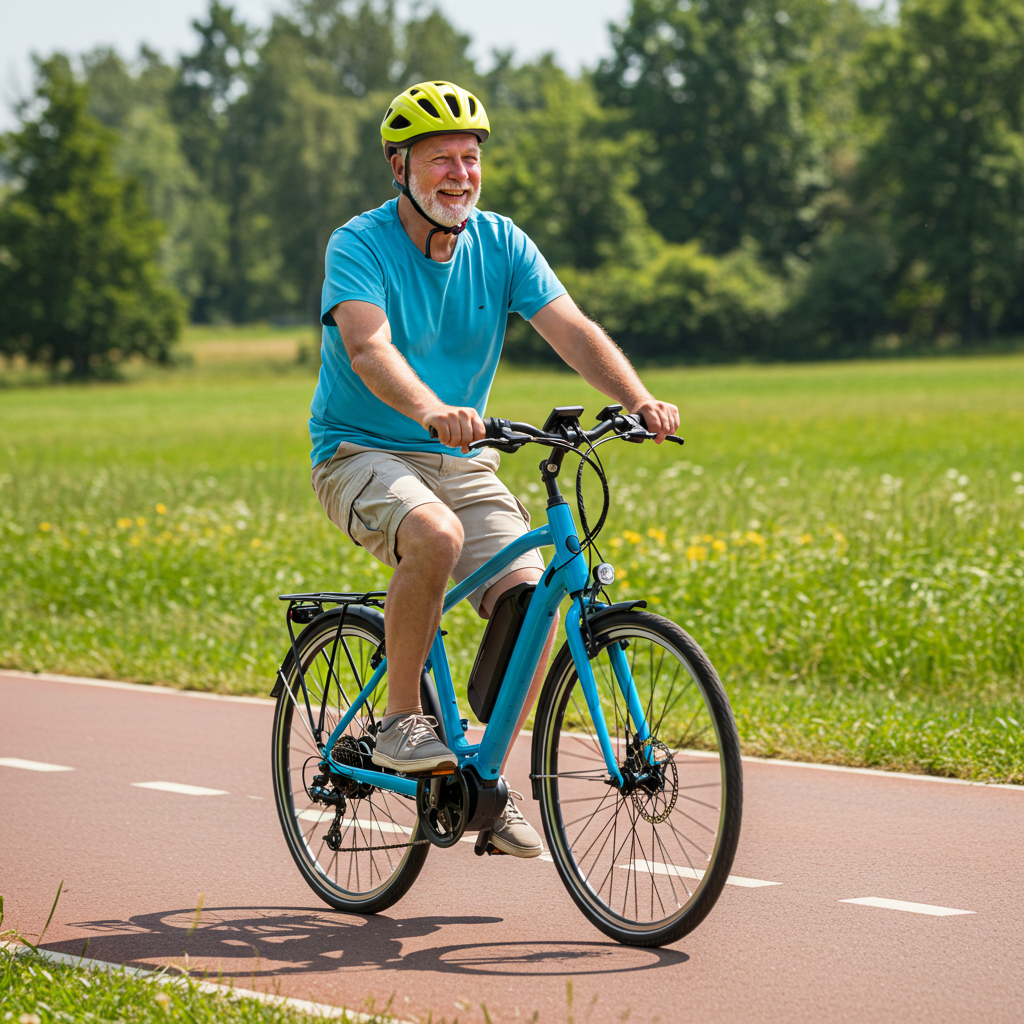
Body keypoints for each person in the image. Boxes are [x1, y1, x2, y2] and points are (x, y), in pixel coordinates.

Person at [309, 80, 679, 857]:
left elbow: (570, 329)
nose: (458, 173)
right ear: (397, 166)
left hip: (461, 455)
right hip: (360, 451)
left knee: (532, 602)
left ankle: (482, 783)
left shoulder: (502, 243)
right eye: (438, 157)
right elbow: (369, 348)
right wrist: (429, 409)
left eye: (469, 158)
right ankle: (401, 720)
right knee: (435, 537)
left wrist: (638, 398)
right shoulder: (359, 244)